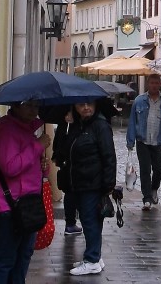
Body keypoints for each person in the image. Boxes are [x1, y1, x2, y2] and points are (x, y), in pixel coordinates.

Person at [0, 101, 52, 284]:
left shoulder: (27, 129)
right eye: (28, 106)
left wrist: (43, 166)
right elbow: (10, 167)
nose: (33, 110)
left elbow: (28, 167)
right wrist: (37, 146)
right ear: (15, 106)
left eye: (36, 106)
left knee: (24, 255)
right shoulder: (6, 131)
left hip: (27, 204)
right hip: (7, 204)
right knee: (6, 258)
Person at [66, 100, 117, 276]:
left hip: (93, 183)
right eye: (81, 104)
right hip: (82, 182)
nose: (86, 107)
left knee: (90, 221)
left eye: (90, 104)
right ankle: (94, 256)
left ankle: (92, 260)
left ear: (96, 105)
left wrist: (108, 184)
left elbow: (109, 156)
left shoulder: (100, 126)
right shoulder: (80, 125)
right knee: (91, 221)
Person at [125, 74, 161, 210]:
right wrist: (130, 142)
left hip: (158, 141)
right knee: (145, 170)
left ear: (160, 84)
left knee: (159, 169)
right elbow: (132, 122)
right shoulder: (139, 101)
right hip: (143, 140)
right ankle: (147, 198)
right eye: (152, 83)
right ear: (148, 84)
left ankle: (154, 188)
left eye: (157, 83)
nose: (154, 85)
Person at [51, 109, 81, 236]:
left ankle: (71, 223)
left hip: (66, 162)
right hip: (71, 163)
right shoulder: (71, 123)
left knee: (70, 192)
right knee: (72, 192)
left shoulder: (64, 121)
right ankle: (71, 223)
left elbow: (57, 144)